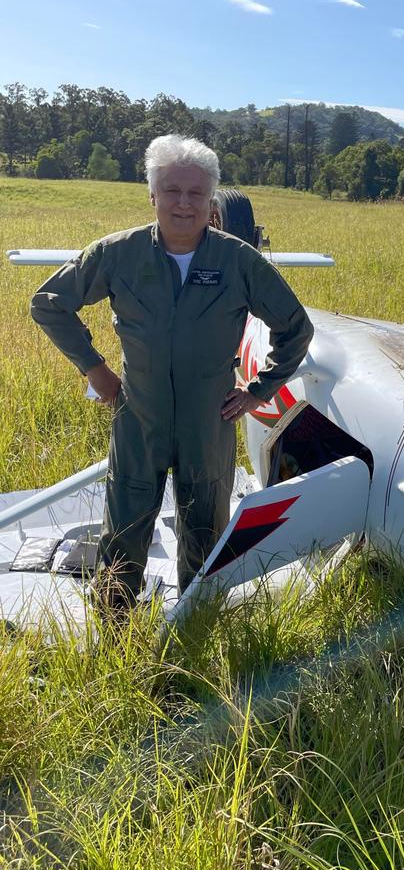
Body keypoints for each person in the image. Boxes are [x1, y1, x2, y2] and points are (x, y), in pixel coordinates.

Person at [30, 134, 314, 607]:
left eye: (196, 193)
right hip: (139, 416)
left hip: (211, 420)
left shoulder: (237, 260)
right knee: (123, 534)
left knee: (205, 533)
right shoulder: (119, 253)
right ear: (153, 196)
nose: (184, 203)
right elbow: (49, 304)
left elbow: (296, 328)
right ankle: (117, 632)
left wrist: (259, 390)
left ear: (210, 199)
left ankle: (197, 627)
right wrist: (95, 370)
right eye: (173, 191)